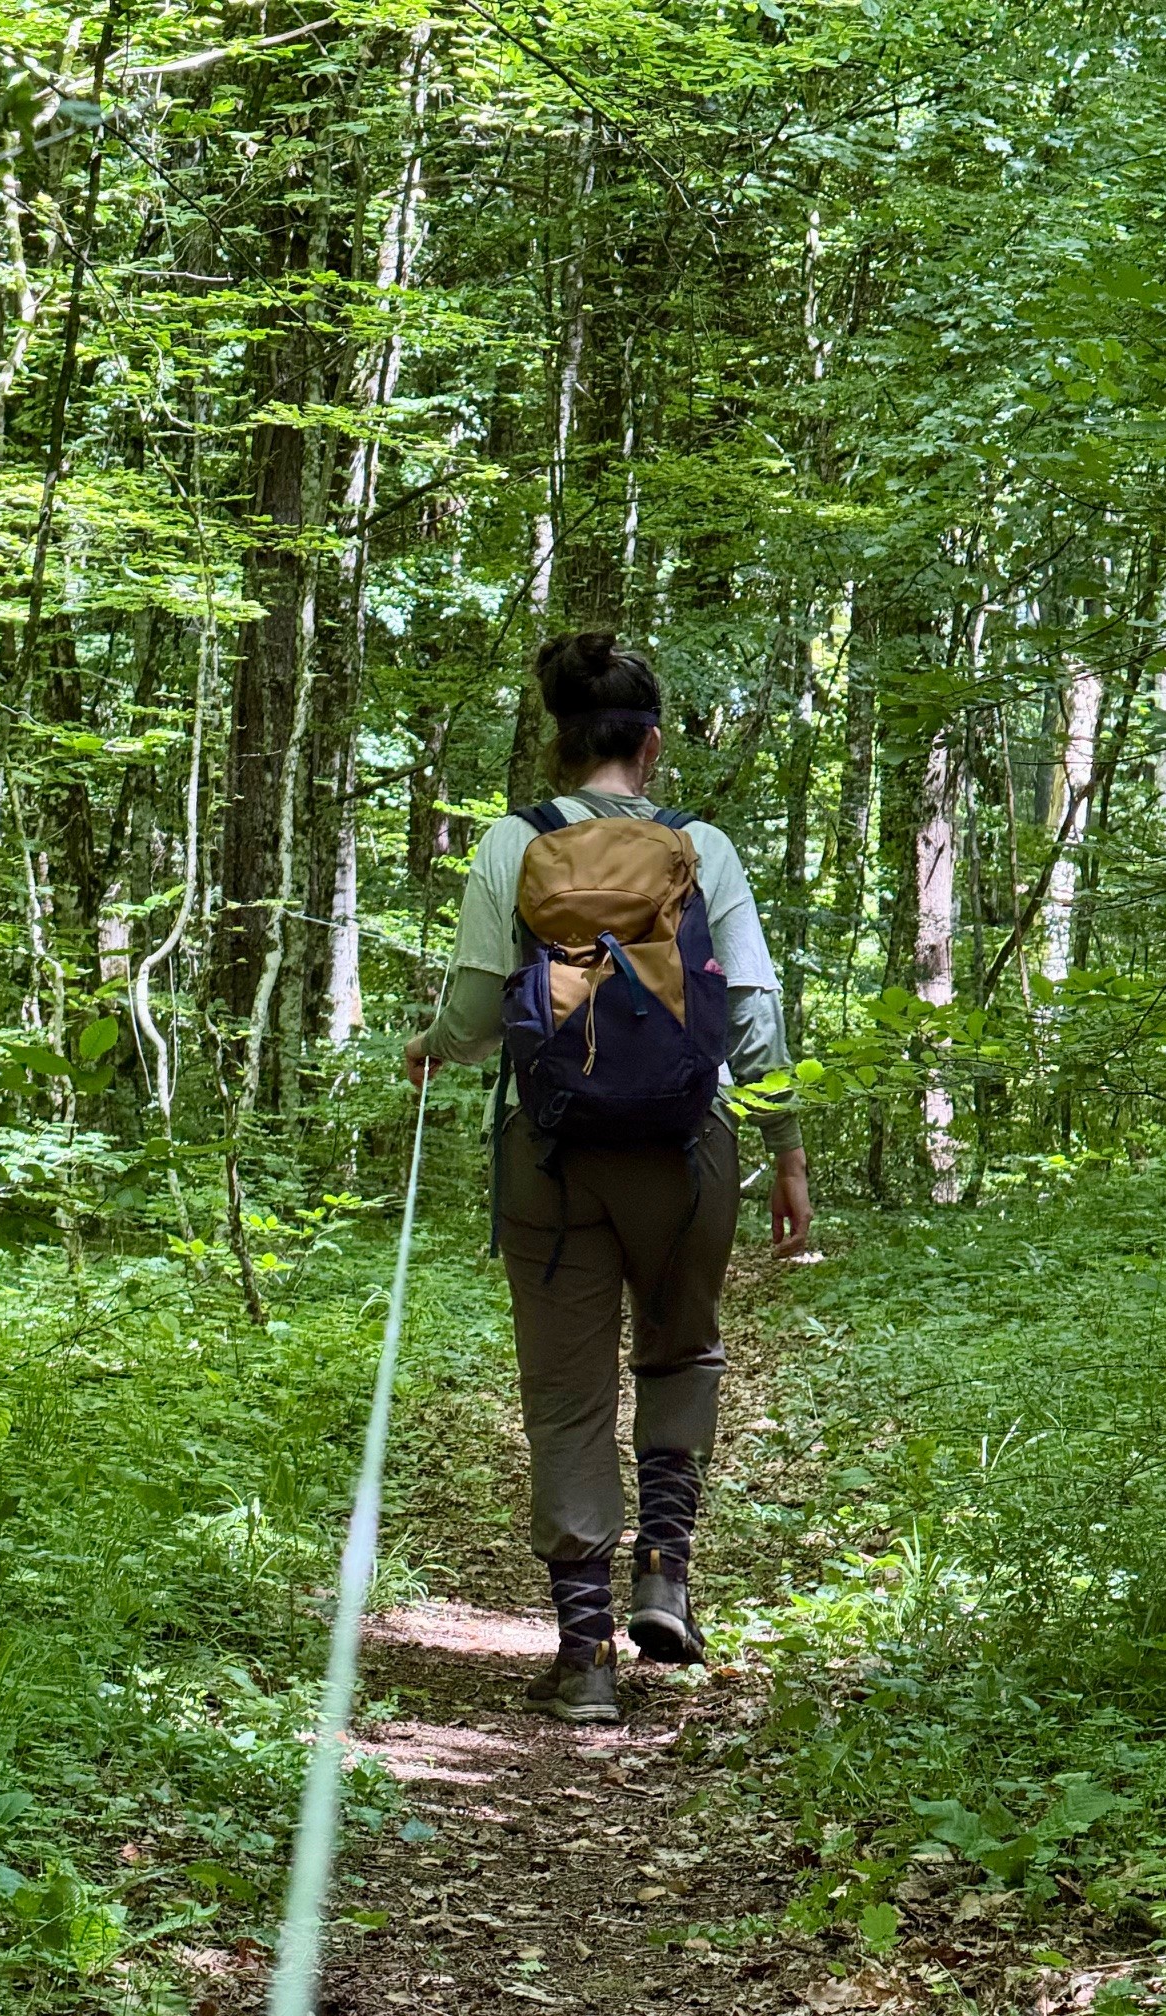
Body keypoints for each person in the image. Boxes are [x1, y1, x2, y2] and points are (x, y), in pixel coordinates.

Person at [404, 631, 812, 1724]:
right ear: (653, 744)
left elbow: (478, 1009)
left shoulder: (514, 842)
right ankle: (665, 1575)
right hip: (688, 1147)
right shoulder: (702, 846)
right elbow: (754, 1015)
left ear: (557, 740)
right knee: (682, 1348)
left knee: (565, 1393)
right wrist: (786, 1148)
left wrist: (433, 1045)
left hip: (552, 1155)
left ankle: (584, 1653)